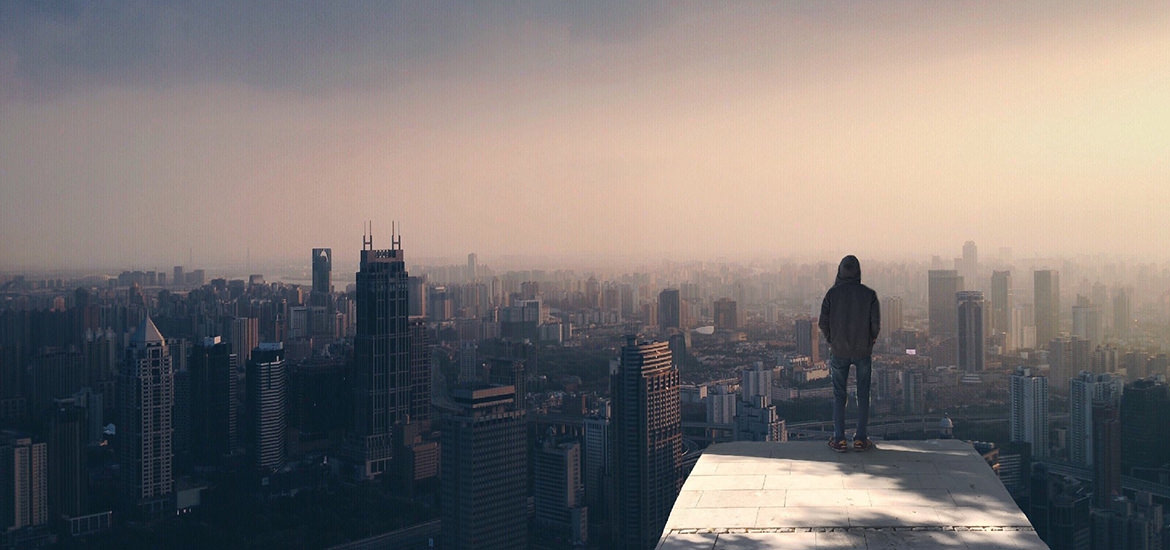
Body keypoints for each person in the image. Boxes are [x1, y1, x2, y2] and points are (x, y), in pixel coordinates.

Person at [819, 255, 880, 452]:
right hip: (863, 351)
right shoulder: (869, 294)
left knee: (839, 394)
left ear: (840, 271)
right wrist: (869, 340)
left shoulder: (832, 294)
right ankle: (861, 439)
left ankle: (839, 439)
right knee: (863, 394)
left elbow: (823, 322)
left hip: (839, 351)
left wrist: (832, 340)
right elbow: (875, 325)